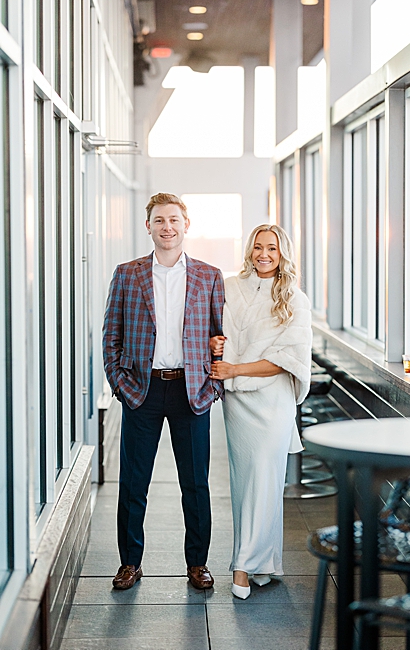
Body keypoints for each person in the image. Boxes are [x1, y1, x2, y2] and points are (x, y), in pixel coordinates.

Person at [102, 192, 224, 592]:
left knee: (195, 484)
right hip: (143, 391)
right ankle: (130, 563)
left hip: (191, 392)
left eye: (174, 219)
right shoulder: (127, 274)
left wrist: (212, 386)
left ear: (186, 224)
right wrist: (121, 385)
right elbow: (111, 336)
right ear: (148, 226)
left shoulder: (208, 275)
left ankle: (198, 563)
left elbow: (222, 337)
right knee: (134, 484)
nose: (167, 227)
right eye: (159, 220)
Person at [208, 224, 312, 600]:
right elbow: (217, 331)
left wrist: (234, 369)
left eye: (271, 248)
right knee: (245, 482)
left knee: (265, 480)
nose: (263, 254)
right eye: (257, 247)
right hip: (238, 403)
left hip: (273, 401)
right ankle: (265, 563)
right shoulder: (230, 287)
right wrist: (216, 342)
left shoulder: (295, 299)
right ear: (249, 250)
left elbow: (288, 360)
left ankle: (242, 564)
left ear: (283, 252)